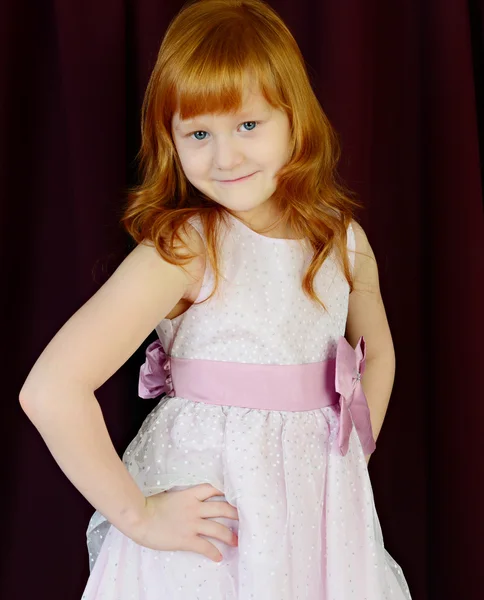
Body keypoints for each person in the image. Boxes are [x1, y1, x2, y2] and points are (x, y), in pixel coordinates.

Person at [19, 0, 412, 598]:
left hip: (318, 516)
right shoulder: (189, 246)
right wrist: (138, 515)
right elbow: (50, 389)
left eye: (248, 125)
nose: (225, 157)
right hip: (215, 519)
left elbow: (376, 353)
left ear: (294, 119)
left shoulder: (342, 237)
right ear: (170, 140)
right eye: (199, 133)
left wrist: (348, 457)